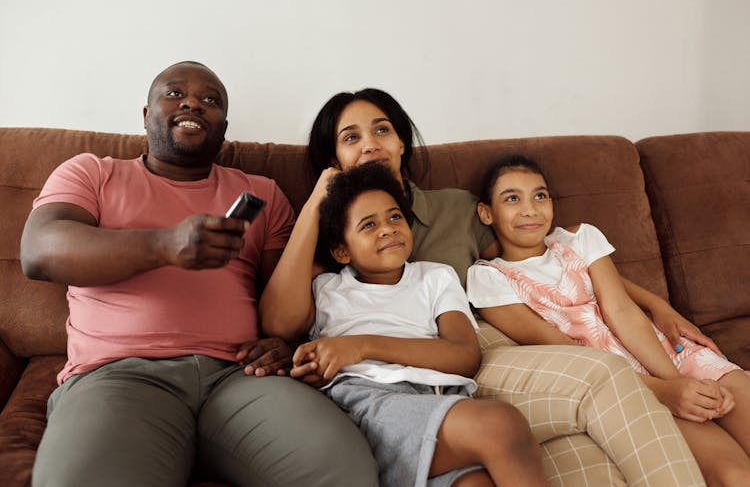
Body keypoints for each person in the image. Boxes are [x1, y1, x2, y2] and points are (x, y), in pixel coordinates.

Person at [260, 88, 706, 485]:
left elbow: (545, 252)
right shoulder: (332, 244)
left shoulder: (456, 209)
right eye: (351, 137)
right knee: (584, 436)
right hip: (398, 382)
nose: (371, 143)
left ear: (401, 142)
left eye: (382, 129)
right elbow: (281, 322)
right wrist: (319, 199)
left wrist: (654, 304)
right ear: (333, 158)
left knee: (595, 418)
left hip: (482, 343)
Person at [20, 61, 377, 487]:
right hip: (118, 376)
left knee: (343, 471)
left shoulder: (261, 193)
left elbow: (286, 297)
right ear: (145, 114)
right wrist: (164, 245)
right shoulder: (92, 173)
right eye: (174, 94)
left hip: (241, 377)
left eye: (210, 101)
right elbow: (39, 251)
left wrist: (286, 343)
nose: (193, 102)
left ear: (223, 130)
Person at [467, 154, 750, 485]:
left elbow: (623, 312)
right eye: (512, 198)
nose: (530, 209)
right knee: (735, 475)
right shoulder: (489, 279)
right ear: (487, 212)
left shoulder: (579, 239)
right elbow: (566, 353)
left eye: (540, 196)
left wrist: (680, 382)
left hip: (669, 357)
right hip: (626, 389)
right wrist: (665, 391)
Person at [289, 161, 547, 486]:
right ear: (342, 250)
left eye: (395, 217)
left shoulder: (436, 277)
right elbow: (280, 325)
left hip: (441, 398)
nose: (387, 229)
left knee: (475, 483)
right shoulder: (326, 287)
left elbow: (465, 356)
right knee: (500, 424)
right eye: (368, 225)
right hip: (369, 403)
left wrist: (362, 345)